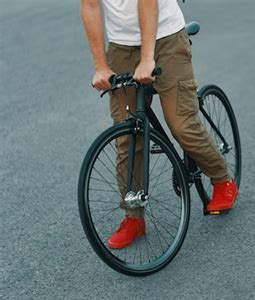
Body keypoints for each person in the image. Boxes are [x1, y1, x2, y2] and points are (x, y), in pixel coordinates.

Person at [80, 0, 238, 249]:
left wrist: (147, 59)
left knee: (181, 124)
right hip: (122, 47)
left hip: (166, 38)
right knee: (128, 136)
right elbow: (89, 6)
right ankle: (134, 217)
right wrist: (101, 66)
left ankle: (221, 178)